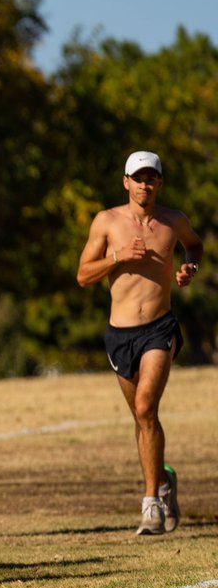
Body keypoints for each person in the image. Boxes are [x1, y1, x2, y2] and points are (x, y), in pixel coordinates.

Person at [76, 151, 202, 535]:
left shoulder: (172, 221)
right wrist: (117, 256)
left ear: (159, 183)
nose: (145, 184)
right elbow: (83, 275)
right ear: (125, 181)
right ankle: (163, 480)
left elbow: (193, 245)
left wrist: (189, 267)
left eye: (152, 178)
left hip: (160, 328)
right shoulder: (107, 221)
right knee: (142, 418)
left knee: (147, 406)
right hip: (120, 334)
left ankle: (151, 504)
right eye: (138, 178)